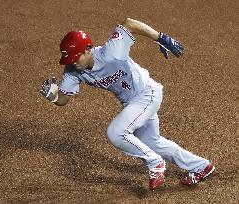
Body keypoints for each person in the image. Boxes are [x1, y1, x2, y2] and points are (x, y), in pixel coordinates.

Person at [40, 18, 215, 190]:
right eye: (69, 60)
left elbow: (129, 24)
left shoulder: (111, 52)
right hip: (133, 104)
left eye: (75, 58)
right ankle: (201, 167)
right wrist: (54, 96)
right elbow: (63, 99)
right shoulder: (73, 71)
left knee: (115, 132)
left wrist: (160, 37)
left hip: (148, 93)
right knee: (152, 143)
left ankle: (155, 163)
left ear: (88, 50)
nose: (72, 63)